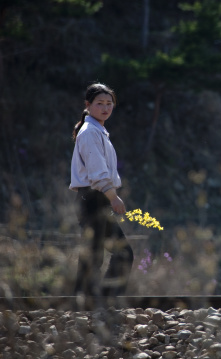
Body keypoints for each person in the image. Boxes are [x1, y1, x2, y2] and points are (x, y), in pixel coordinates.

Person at [69, 83, 133, 297]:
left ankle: (87, 300)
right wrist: (113, 197)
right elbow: (98, 174)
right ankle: (104, 299)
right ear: (88, 105)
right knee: (120, 253)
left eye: (109, 103)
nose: (105, 108)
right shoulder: (89, 133)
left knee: (94, 254)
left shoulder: (98, 131)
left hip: (95, 197)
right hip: (94, 197)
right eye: (100, 104)